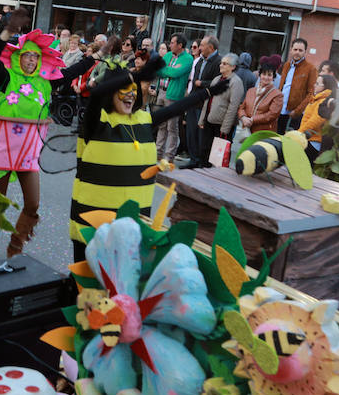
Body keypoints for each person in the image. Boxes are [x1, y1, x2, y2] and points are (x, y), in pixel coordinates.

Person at [69, 53, 229, 261]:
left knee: (120, 287)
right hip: (91, 224)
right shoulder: (98, 122)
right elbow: (98, 92)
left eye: (133, 91)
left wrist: (208, 92)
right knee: (86, 286)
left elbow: (178, 107)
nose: (130, 95)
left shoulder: (142, 120)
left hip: (129, 228)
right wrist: (139, 75)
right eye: (123, 91)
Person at [0, 10, 94, 261]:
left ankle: (16, 245)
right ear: (19, 57)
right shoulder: (5, 77)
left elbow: (71, 73)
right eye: (27, 56)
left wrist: (94, 56)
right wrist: (6, 33)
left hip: (28, 153)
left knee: (32, 205)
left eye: (35, 56)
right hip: (3, 149)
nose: (31, 60)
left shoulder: (45, 82)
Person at [152, 33, 193, 163]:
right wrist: (168, 70)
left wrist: (167, 70)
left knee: (172, 127)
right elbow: (158, 70)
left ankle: (169, 156)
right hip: (161, 93)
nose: (170, 45)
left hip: (174, 95)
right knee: (161, 125)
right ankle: (158, 153)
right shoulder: (168, 55)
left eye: (172, 43)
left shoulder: (187, 58)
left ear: (180, 45)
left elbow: (175, 73)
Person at [199, 53, 245, 167]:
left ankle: (217, 178)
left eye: (225, 64)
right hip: (209, 121)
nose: (221, 65)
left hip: (222, 124)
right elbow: (207, 101)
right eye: (221, 63)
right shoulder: (216, 79)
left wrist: (225, 127)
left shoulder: (236, 82)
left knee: (219, 155)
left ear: (233, 67)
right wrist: (202, 119)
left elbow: (233, 107)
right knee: (205, 150)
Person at [184, 35, 221, 168]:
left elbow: (218, 83)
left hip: (205, 105)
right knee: (191, 133)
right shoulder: (200, 61)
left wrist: (202, 83)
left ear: (210, 48)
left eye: (202, 46)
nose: (199, 48)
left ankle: (201, 162)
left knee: (202, 136)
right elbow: (194, 80)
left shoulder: (219, 62)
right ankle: (193, 160)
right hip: (194, 101)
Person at [277, 38, 317, 133]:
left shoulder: (311, 69)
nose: (297, 52)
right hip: (280, 110)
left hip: (295, 114)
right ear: (291, 50)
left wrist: (297, 111)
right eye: (295, 49)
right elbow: (281, 87)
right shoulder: (286, 65)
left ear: (305, 52)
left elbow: (311, 93)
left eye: (300, 50)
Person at [298, 74, 337, 162]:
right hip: (308, 138)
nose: (314, 85)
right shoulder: (317, 98)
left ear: (325, 87)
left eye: (317, 84)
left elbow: (315, 121)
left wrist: (299, 134)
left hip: (313, 141)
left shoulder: (324, 101)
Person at [237, 63, 284, 134]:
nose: (266, 77)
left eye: (269, 75)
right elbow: (242, 107)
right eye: (264, 74)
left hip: (263, 132)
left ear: (273, 77)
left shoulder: (277, 95)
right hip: (247, 130)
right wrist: (243, 117)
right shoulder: (251, 91)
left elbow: (272, 114)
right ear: (260, 75)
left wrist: (252, 120)